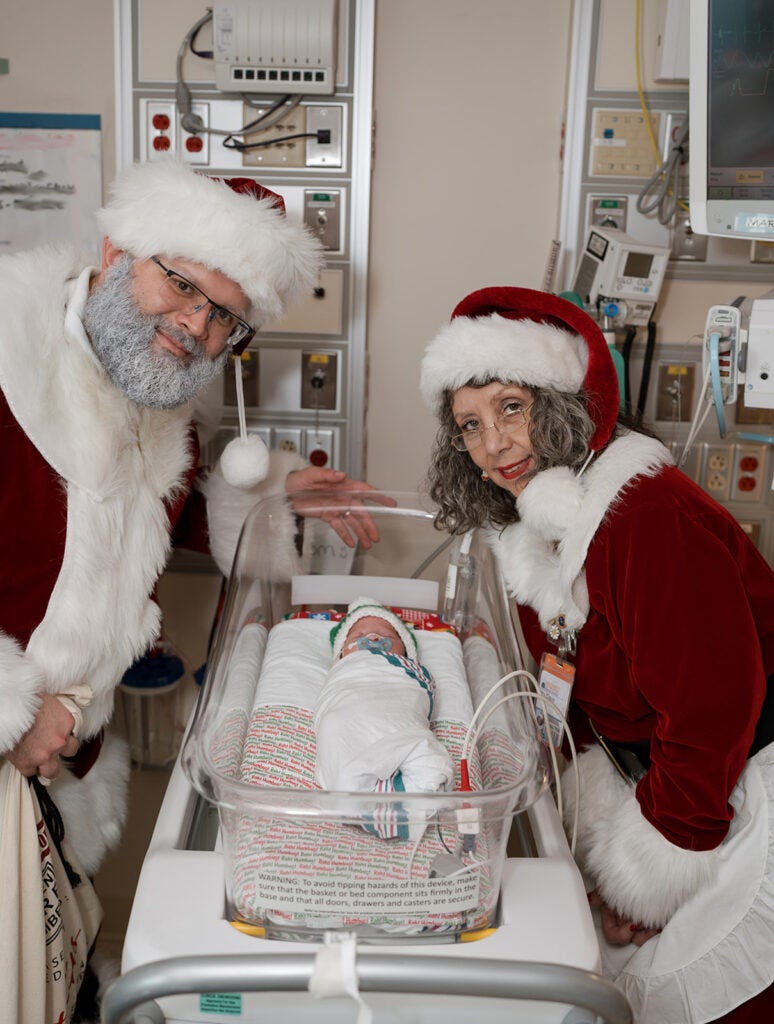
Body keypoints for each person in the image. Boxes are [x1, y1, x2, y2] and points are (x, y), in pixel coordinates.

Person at [0, 155, 383, 1022]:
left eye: (225, 318)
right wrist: (15, 718)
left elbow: (137, 521)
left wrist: (271, 490)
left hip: (60, 775)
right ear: (115, 248)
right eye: (180, 286)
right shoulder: (10, 366)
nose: (195, 327)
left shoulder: (152, 403)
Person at [419, 286, 774, 1024]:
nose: (494, 446)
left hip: (738, 780)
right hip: (673, 778)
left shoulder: (644, 513)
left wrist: (644, 878)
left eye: (511, 408)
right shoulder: (532, 535)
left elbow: (712, 707)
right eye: (471, 426)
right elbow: (567, 688)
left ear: (561, 401)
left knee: (697, 998)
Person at [314, 597, 454, 811]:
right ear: (341, 654)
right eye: (358, 635)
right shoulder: (343, 670)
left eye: (387, 635)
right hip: (347, 712)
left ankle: (420, 787)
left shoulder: (406, 669)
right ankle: (349, 790)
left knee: (422, 751)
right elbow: (333, 695)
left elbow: (418, 695)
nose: (372, 637)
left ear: (406, 652)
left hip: (397, 712)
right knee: (333, 725)